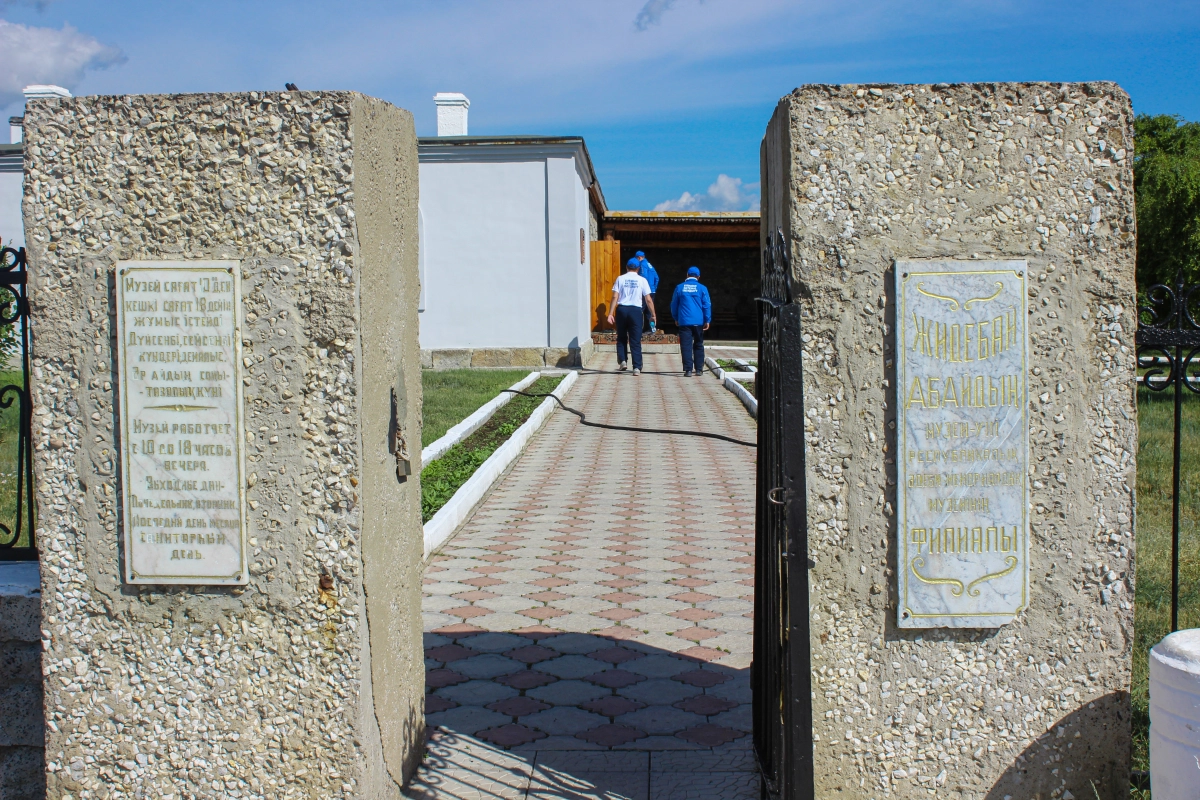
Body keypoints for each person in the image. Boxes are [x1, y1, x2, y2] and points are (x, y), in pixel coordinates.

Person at [607, 258, 656, 375]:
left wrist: (610, 313)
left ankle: (623, 361)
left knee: (621, 337)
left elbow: (615, 297)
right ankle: (637, 368)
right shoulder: (642, 280)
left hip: (622, 310)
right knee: (635, 339)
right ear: (638, 269)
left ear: (626, 267)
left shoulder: (620, 278)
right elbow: (648, 299)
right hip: (636, 311)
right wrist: (653, 315)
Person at [670, 266, 711, 377]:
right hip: (698, 321)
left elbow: (674, 304)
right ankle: (699, 369)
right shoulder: (702, 288)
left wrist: (676, 317)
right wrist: (707, 319)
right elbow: (706, 305)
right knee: (698, 344)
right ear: (698, 276)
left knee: (686, 345)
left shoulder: (679, 288)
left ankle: (688, 370)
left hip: (684, 320)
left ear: (687, 275)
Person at [635, 251, 659, 333]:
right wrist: (653, 288)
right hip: (652, 291)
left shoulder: (642, 264)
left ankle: (637, 328)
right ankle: (652, 329)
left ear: (639, 257)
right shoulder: (650, 265)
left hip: (645, 291)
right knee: (650, 311)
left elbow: (643, 277)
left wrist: (643, 288)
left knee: (639, 310)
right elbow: (657, 278)